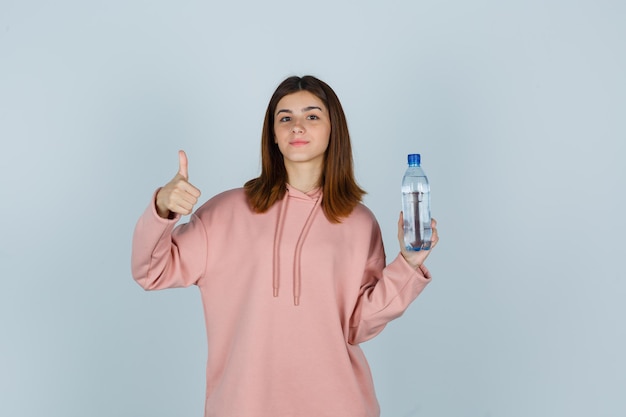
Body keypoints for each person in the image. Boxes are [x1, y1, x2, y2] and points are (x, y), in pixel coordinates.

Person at [131, 75, 439, 417]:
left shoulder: (358, 222)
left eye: (312, 116)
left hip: (339, 405)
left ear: (332, 129)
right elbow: (151, 272)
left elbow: (358, 325)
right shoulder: (226, 212)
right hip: (243, 406)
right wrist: (162, 207)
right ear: (273, 135)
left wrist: (408, 264)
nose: (297, 127)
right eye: (285, 118)